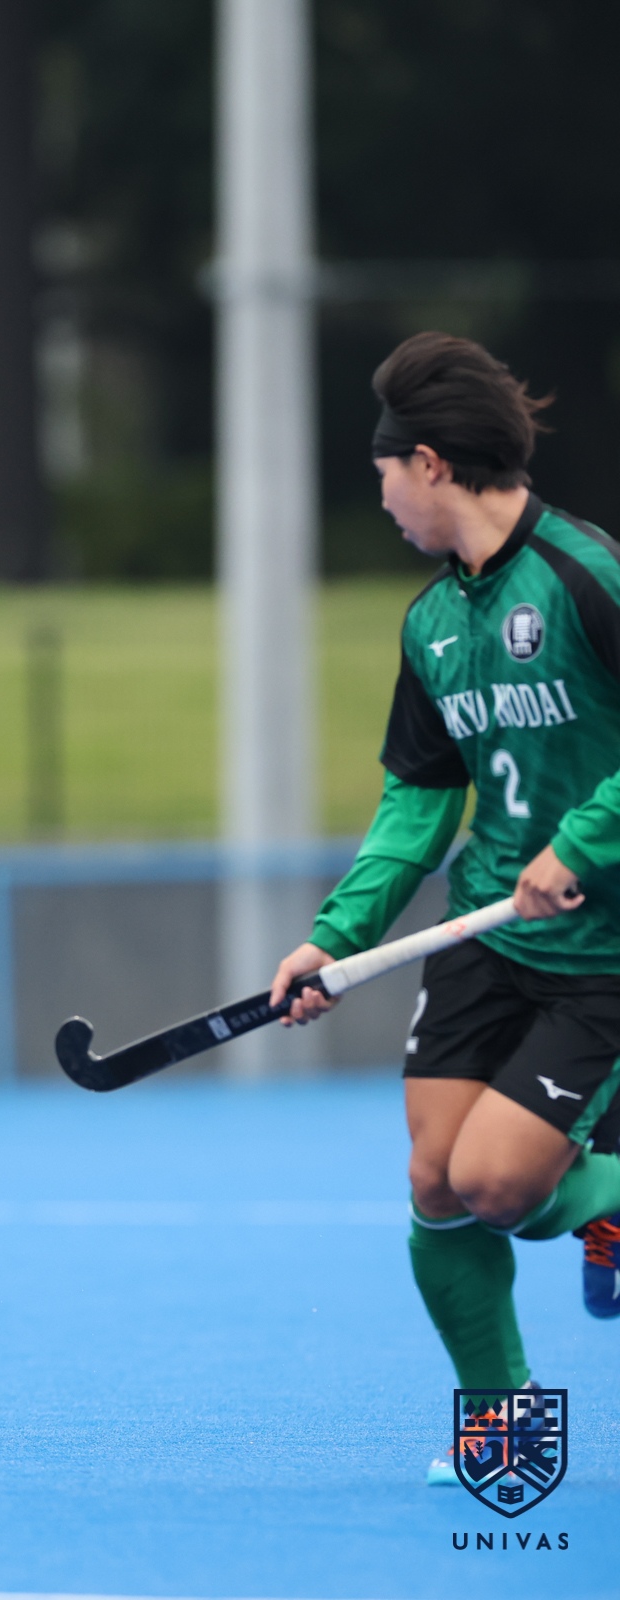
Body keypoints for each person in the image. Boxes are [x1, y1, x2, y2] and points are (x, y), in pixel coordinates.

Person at [268, 333, 620, 1486]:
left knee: (499, 1184)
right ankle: (502, 1419)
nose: (380, 502)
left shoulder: (586, 575)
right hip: (487, 932)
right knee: (436, 1181)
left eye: (383, 476)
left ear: (429, 463)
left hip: (602, 948)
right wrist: (337, 937)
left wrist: (582, 842)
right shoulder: (430, 624)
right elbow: (418, 802)